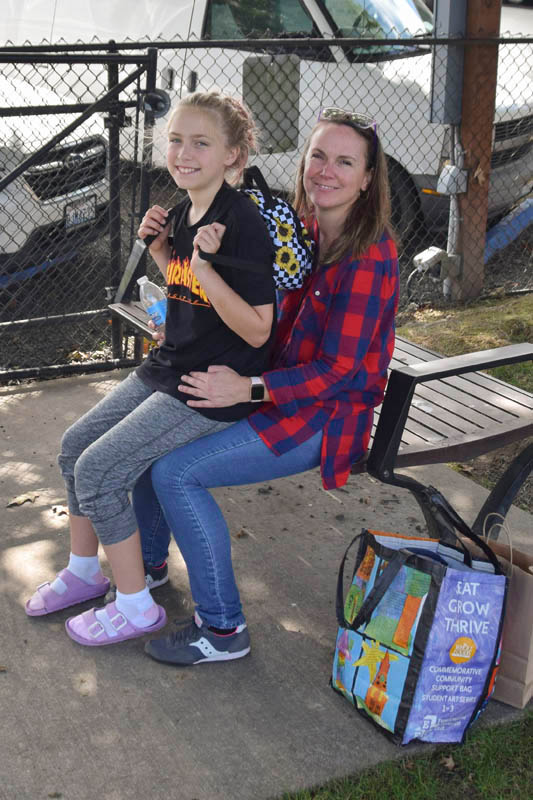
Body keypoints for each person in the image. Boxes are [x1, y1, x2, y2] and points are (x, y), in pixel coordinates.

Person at [132, 106, 400, 666]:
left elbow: (338, 372)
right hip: (274, 387)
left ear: (368, 179)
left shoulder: (368, 258)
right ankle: (149, 570)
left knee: (175, 472)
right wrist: (175, 293)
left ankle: (223, 629)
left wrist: (247, 388)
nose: (325, 171)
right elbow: (251, 311)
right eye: (318, 156)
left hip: (322, 417)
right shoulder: (296, 230)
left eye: (344, 162)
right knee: (151, 435)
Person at [25, 91, 276, 646]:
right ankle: (86, 573)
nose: (184, 153)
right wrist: (166, 254)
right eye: (176, 140)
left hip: (209, 387)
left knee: (98, 470)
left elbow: (259, 329)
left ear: (234, 154)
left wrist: (206, 267)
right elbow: (191, 293)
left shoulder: (243, 223)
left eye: (201, 143)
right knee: (74, 448)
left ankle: (136, 605)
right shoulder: (186, 210)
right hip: (170, 365)